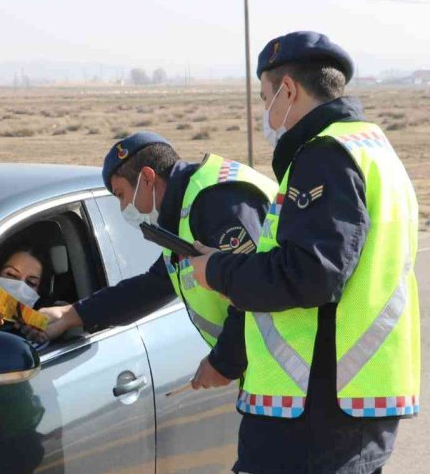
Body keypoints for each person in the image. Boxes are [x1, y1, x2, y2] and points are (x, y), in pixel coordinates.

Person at [189, 32, 421, 474]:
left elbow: (311, 273)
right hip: (357, 398)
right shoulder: (374, 147)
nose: (265, 111)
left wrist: (219, 271)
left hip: (313, 410)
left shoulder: (324, 155)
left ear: (287, 89)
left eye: (265, 95)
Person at [38, 132, 276, 389]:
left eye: (121, 195)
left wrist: (223, 363)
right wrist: (71, 315)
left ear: (148, 179)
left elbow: (254, 290)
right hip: (270, 370)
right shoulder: (182, 216)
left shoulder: (215, 202)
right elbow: (151, 286)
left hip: (293, 369)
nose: (123, 207)